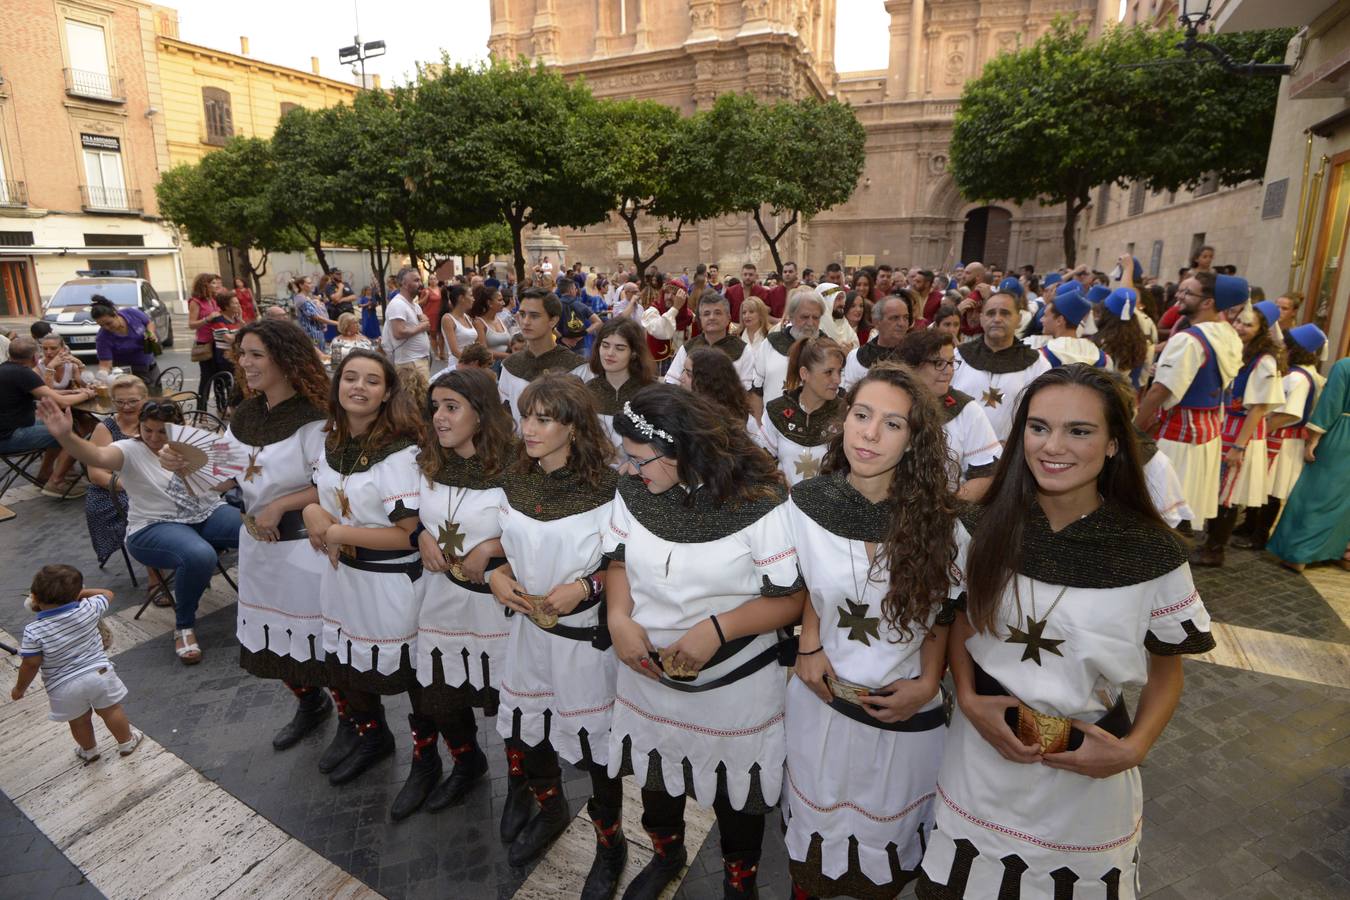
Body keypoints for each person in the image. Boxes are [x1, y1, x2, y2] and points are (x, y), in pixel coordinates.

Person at [917, 364, 1215, 899]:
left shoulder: (1153, 554)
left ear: (1114, 445)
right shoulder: (980, 526)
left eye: (1079, 431)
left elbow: (1167, 674)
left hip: (1086, 770)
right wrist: (966, 695)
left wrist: (1133, 750)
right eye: (1038, 427)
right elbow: (961, 617)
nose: (1052, 446)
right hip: (978, 756)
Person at [607, 384, 805, 899]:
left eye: (637, 458)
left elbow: (791, 598)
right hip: (648, 677)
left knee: (737, 796)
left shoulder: (759, 503)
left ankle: (741, 882)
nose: (629, 469)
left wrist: (716, 630)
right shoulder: (633, 492)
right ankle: (665, 853)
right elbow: (619, 561)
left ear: (678, 449)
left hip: (733, 686)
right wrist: (618, 617)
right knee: (655, 779)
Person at [784, 363, 964, 899]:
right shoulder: (807, 504)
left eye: (892, 424)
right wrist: (808, 645)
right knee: (812, 854)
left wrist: (929, 681)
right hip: (821, 705)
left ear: (914, 441)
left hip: (904, 713)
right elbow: (808, 585)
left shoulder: (945, 520)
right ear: (844, 421)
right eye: (862, 416)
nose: (869, 433)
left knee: (883, 861)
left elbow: (945, 612)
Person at [486, 376, 623, 887]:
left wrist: (586, 587)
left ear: (574, 426)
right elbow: (502, 546)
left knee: (595, 753)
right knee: (529, 732)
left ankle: (610, 844)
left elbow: (630, 566)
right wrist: (496, 575)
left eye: (544, 418)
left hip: (584, 643)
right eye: (526, 416)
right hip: (528, 636)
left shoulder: (610, 490)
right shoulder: (514, 480)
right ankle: (550, 809)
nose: (529, 428)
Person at [37, 396, 240, 664]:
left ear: (179, 426)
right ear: (140, 427)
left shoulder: (195, 442)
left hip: (208, 512)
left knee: (257, 527)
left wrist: (193, 466)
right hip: (153, 525)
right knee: (200, 555)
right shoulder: (129, 449)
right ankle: (184, 626)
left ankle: (266, 602)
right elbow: (95, 456)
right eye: (148, 430)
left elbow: (226, 485)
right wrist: (66, 437)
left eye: (162, 431)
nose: (154, 438)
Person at [207, 318, 332, 754]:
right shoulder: (245, 413)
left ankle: (362, 725)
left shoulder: (316, 418)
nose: (245, 363)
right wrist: (189, 466)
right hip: (259, 548)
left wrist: (282, 503)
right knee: (275, 643)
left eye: (256, 354)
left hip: (306, 550)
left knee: (322, 642)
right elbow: (223, 474)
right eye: (242, 354)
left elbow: (336, 485)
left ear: (285, 358)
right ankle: (310, 703)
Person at [302, 349, 424, 790]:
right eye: (350, 377)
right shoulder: (331, 441)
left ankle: (426, 760)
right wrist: (314, 514)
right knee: (346, 662)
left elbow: (410, 534)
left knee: (407, 674)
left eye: (371, 380)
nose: (358, 387)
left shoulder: (399, 454)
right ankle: (373, 737)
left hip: (389, 581)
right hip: (342, 577)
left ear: (387, 391)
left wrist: (335, 534)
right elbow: (324, 498)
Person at [405, 368, 514, 819]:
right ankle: (467, 763)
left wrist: (493, 547)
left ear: (482, 414)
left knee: (507, 699)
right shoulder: (426, 461)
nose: (440, 419)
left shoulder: (516, 467)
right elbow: (411, 514)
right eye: (436, 408)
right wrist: (419, 536)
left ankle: (524, 786)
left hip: (494, 603)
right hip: (440, 597)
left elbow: (546, 533)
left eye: (452, 408)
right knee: (440, 691)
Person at [1133, 272, 1247, 532]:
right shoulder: (1227, 334)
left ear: (1208, 302)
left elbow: (1160, 391)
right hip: (1207, 430)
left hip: (1179, 434)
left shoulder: (1188, 339)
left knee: (1163, 499)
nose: (1178, 297)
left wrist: (1134, 429)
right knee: (1188, 495)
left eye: (1188, 293)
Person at [13, 565, 143, 761]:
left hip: (62, 686)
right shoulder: (88, 608)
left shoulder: (33, 631)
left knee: (78, 721)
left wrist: (19, 689)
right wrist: (80, 593)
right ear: (76, 595)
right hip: (99, 674)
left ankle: (89, 750)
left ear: (34, 599)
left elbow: (30, 664)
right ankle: (126, 742)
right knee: (111, 710)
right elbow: (107, 593)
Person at [1191, 302, 1286, 566]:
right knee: (1217, 488)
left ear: (1262, 329)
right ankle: (1210, 539)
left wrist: (1239, 447)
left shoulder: (1265, 361)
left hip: (1241, 431)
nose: (1240, 327)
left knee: (1227, 494)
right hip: (1227, 425)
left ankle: (1215, 549)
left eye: (1248, 324)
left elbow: (1258, 408)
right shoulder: (1237, 350)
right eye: (1239, 321)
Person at [1236, 324, 1328, 551]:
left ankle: (1259, 534)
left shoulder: (1298, 377)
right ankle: (1250, 525)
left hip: (1283, 439)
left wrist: (1260, 430)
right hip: (1283, 436)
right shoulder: (1302, 373)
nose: (1282, 348)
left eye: (1286, 345)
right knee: (1263, 485)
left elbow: (1289, 413)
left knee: (1271, 489)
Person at [1267, 356, 1350, 571]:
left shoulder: (1345, 366)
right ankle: (1336, 551)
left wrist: (1313, 438)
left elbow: (1330, 404)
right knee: (1343, 500)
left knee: (1315, 494)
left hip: (1342, 436)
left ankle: (1298, 555)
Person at [898, 330, 999, 501]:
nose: (949, 371)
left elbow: (986, 473)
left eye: (951, 362)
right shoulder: (889, 404)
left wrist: (947, 507)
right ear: (912, 365)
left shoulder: (967, 410)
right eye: (938, 363)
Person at [950, 291, 1053, 443]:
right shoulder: (958, 356)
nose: (997, 319)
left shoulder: (1038, 364)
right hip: (958, 449)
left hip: (1009, 453)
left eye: (1005, 313)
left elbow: (1043, 415)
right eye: (991, 313)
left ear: (1018, 319)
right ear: (981, 318)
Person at [0, 337, 94, 498]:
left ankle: (45, 474)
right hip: (8, 437)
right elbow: (60, 402)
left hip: (9, 430)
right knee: (72, 434)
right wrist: (87, 394)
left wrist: (72, 392)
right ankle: (56, 483)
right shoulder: (24, 373)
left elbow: (44, 393)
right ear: (35, 357)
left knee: (57, 425)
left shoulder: (5, 369)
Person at [82, 375, 153, 583]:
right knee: (147, 512)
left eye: (133, 401)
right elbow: (96, 475)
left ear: (145, 398)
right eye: (120, 402)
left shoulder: (155, 423)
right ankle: (155, 577)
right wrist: (137, 488)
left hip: (153, 485)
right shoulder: (105, 428)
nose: (126, 407)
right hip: (111, 493)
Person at [757, 337, 846, 486]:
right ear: (805, 373)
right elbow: (761, 463)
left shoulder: (846, 415)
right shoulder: (778, 411)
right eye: (829, 372)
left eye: (839, 371)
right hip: (783, 504)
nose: (837, 380)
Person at [498, 289, 592, 423]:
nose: (525, 322)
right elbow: (505, 415)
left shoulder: (577, 367)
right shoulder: (509, 366)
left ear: (553, 320)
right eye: (522, 314)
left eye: (534, 316)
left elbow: (585, 419)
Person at [587, 317, 655, 453]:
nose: (610, 353)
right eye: (605, 345)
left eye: (620, 348)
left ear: (634, 353)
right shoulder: (587, 391)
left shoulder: (651, 393)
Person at [664, 292, 754, 391]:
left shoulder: (743, 350)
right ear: (700, 319)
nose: (712, 317)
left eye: (717, 313)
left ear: (729, 317)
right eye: (706, 314)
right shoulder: (688, 348)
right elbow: (671, 381)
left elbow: (747, 390)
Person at [753, 288, 826, 410]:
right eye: (805, 317)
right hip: (771, 424)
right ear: (791, 316)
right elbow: (756, 390)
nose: (810, 323)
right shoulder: (770, 344)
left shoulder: (827, 346)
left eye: (816, 317)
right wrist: (760, 425)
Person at [841, 293, 916, 391]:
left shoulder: (917, 354)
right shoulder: (856, 357)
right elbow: (849, 392)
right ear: (877, 322)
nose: (902, 323)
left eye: (905, 317)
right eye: (894, 318)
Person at [685, 348, 762, 441]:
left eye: (689, 374)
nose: (681, 378)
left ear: (708, 381)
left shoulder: (743, 423)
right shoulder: (681, 411)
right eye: (683, 371)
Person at [90, 295, 161, 387]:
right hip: (128, 374)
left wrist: (150, 332)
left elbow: (148, 323)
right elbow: (105, 365)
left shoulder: (131, 313)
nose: (106, 328)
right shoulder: (103, 338)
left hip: (151, 366)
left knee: (158, 396)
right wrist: (100, 379)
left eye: (108, 323)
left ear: (115, 314)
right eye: (101, 325)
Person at [383, 267, 434, 388]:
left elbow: (425, 324)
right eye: (416, 280)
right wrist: (421, 326)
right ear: (403, 283)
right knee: (414, 401)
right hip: (409, 363)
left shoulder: (415, 305)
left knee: (422, 400)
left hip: (420, 360)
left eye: (420, 280)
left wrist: (424, 324)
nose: (420, 284)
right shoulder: (397, 304)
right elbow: (399, 332)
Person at [1094, 288, 1152, 391]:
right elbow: (1142, 379)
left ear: (1106, 313)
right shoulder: (1141, 341)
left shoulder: (1103, 342)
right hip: (1128, 395)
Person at [440, 284, 480, 371]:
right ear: (461, 298)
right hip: (458, 365)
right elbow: (454, 351)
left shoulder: (467, 317)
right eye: (471, 295)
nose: (473, 299)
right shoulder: (448, 319)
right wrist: (473, 362)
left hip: (472, 365)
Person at [472, 285, 514, 367]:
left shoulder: (500, 320)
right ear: (489, 303)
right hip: (491, 366)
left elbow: (509, 343)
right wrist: (508, 356)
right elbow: (483, 351)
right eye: (500, 300)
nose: (504, 303)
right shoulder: (479, 323)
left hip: (505, 364)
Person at [294, 276, 336, 351]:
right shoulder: (301, 299)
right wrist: (337, 323)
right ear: (301, 285)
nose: (312, 285)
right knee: (317, 355)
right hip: (312, 333)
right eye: (309, 283)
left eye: (311, 283)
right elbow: (316, 317)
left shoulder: (307, 297)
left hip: (317, 332)